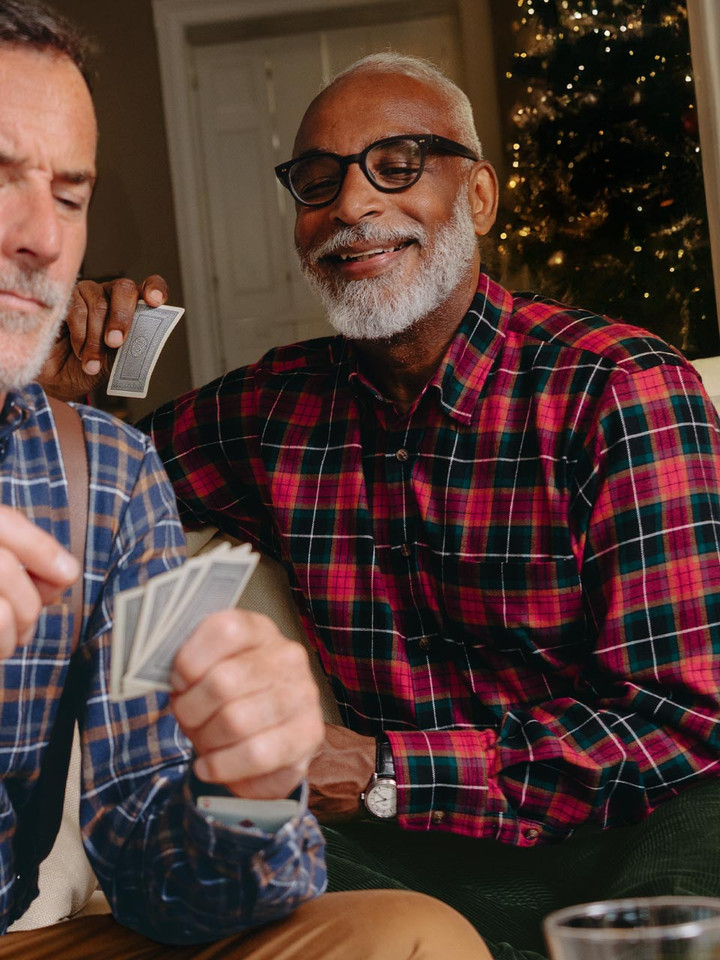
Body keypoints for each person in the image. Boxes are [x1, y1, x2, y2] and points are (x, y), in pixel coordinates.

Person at [52, 52, 720, 960]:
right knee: (233, 847)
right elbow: (92, 508)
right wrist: (56, 395)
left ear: (478, 197)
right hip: (407, 858)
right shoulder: (271, 411)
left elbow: (680, 721)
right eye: (317, 181)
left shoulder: (620, 388)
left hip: (632, 832)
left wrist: (384, 769)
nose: (352, 205)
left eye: (397, 165)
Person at [0, 6, 488, 959]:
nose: (41, 237)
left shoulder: (106, 478)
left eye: (68, 194)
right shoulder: (275, 410)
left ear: (480, 196)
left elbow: (149, 852)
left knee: (409, 939)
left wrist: (244, 795)